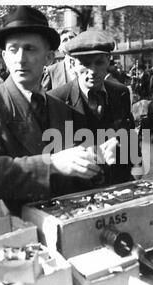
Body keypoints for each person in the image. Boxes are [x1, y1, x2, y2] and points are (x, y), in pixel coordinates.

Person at [0, 6, 105, 220]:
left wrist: (95, 161)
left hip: (58, 222)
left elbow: (74, 175)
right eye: (13, 50)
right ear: (4, 56)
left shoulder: (61, 108)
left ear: (49, 58)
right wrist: (54, 162)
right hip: (8, 229)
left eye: (30, 49)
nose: (20, 59)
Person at [48, 30, 136, 188]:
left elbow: (129, 136)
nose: (93, 71)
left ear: (109, 61)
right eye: (85, 64)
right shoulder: (55, 99)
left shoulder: (120, 92)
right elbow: (52, 155)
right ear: (73, 64)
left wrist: (125, 151)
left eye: (99, 62)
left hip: (118, 186)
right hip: (77, 192)